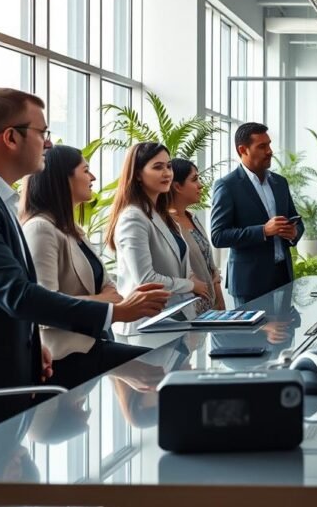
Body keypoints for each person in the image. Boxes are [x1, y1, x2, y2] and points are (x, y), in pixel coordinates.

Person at [0, 88, 164, 454]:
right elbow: (17, 294)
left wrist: (32, 343)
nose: (48, 143)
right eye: (43, 133)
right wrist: (115, 311)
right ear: (10, 137)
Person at [20, 145, 167, 388]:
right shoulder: (40, 229)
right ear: (62, 178)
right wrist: (104, 301)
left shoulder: (73, 230)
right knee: (157, 369)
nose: (93, 177)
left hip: (94, 342)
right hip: (65, 355)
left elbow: (112, 290)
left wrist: (110, 299)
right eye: (86, 170)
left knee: (159, 367)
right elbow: (43, 309)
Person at [106, 142, 210, 334]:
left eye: (168, 166)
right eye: (157, 167)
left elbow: (179, 267)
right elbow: (146, 279)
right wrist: (191, 285)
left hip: (172, 319)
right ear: (137, 174)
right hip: (145, 324)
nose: (167, 173)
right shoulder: (133, 216)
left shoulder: (163, 216)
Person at [211, 122, 304, 306]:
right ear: (243, 150)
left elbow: (296, 220)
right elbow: (218, 236)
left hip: (283, 277)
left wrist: (294, 233)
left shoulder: (280, 183)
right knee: (252, 336)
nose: (269, 151)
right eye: (262, 146)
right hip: (249, 283)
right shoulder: (227, 186)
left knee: (285, 335)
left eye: (269, 144)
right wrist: (263, 230)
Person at [169, 158, 226, 311]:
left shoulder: (193, 217)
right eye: (194, 179)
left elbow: (211, 266)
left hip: (210, 307)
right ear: (177, 186)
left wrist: (220, 301)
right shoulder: (168, 225)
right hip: (188, 309)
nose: (200, 185)